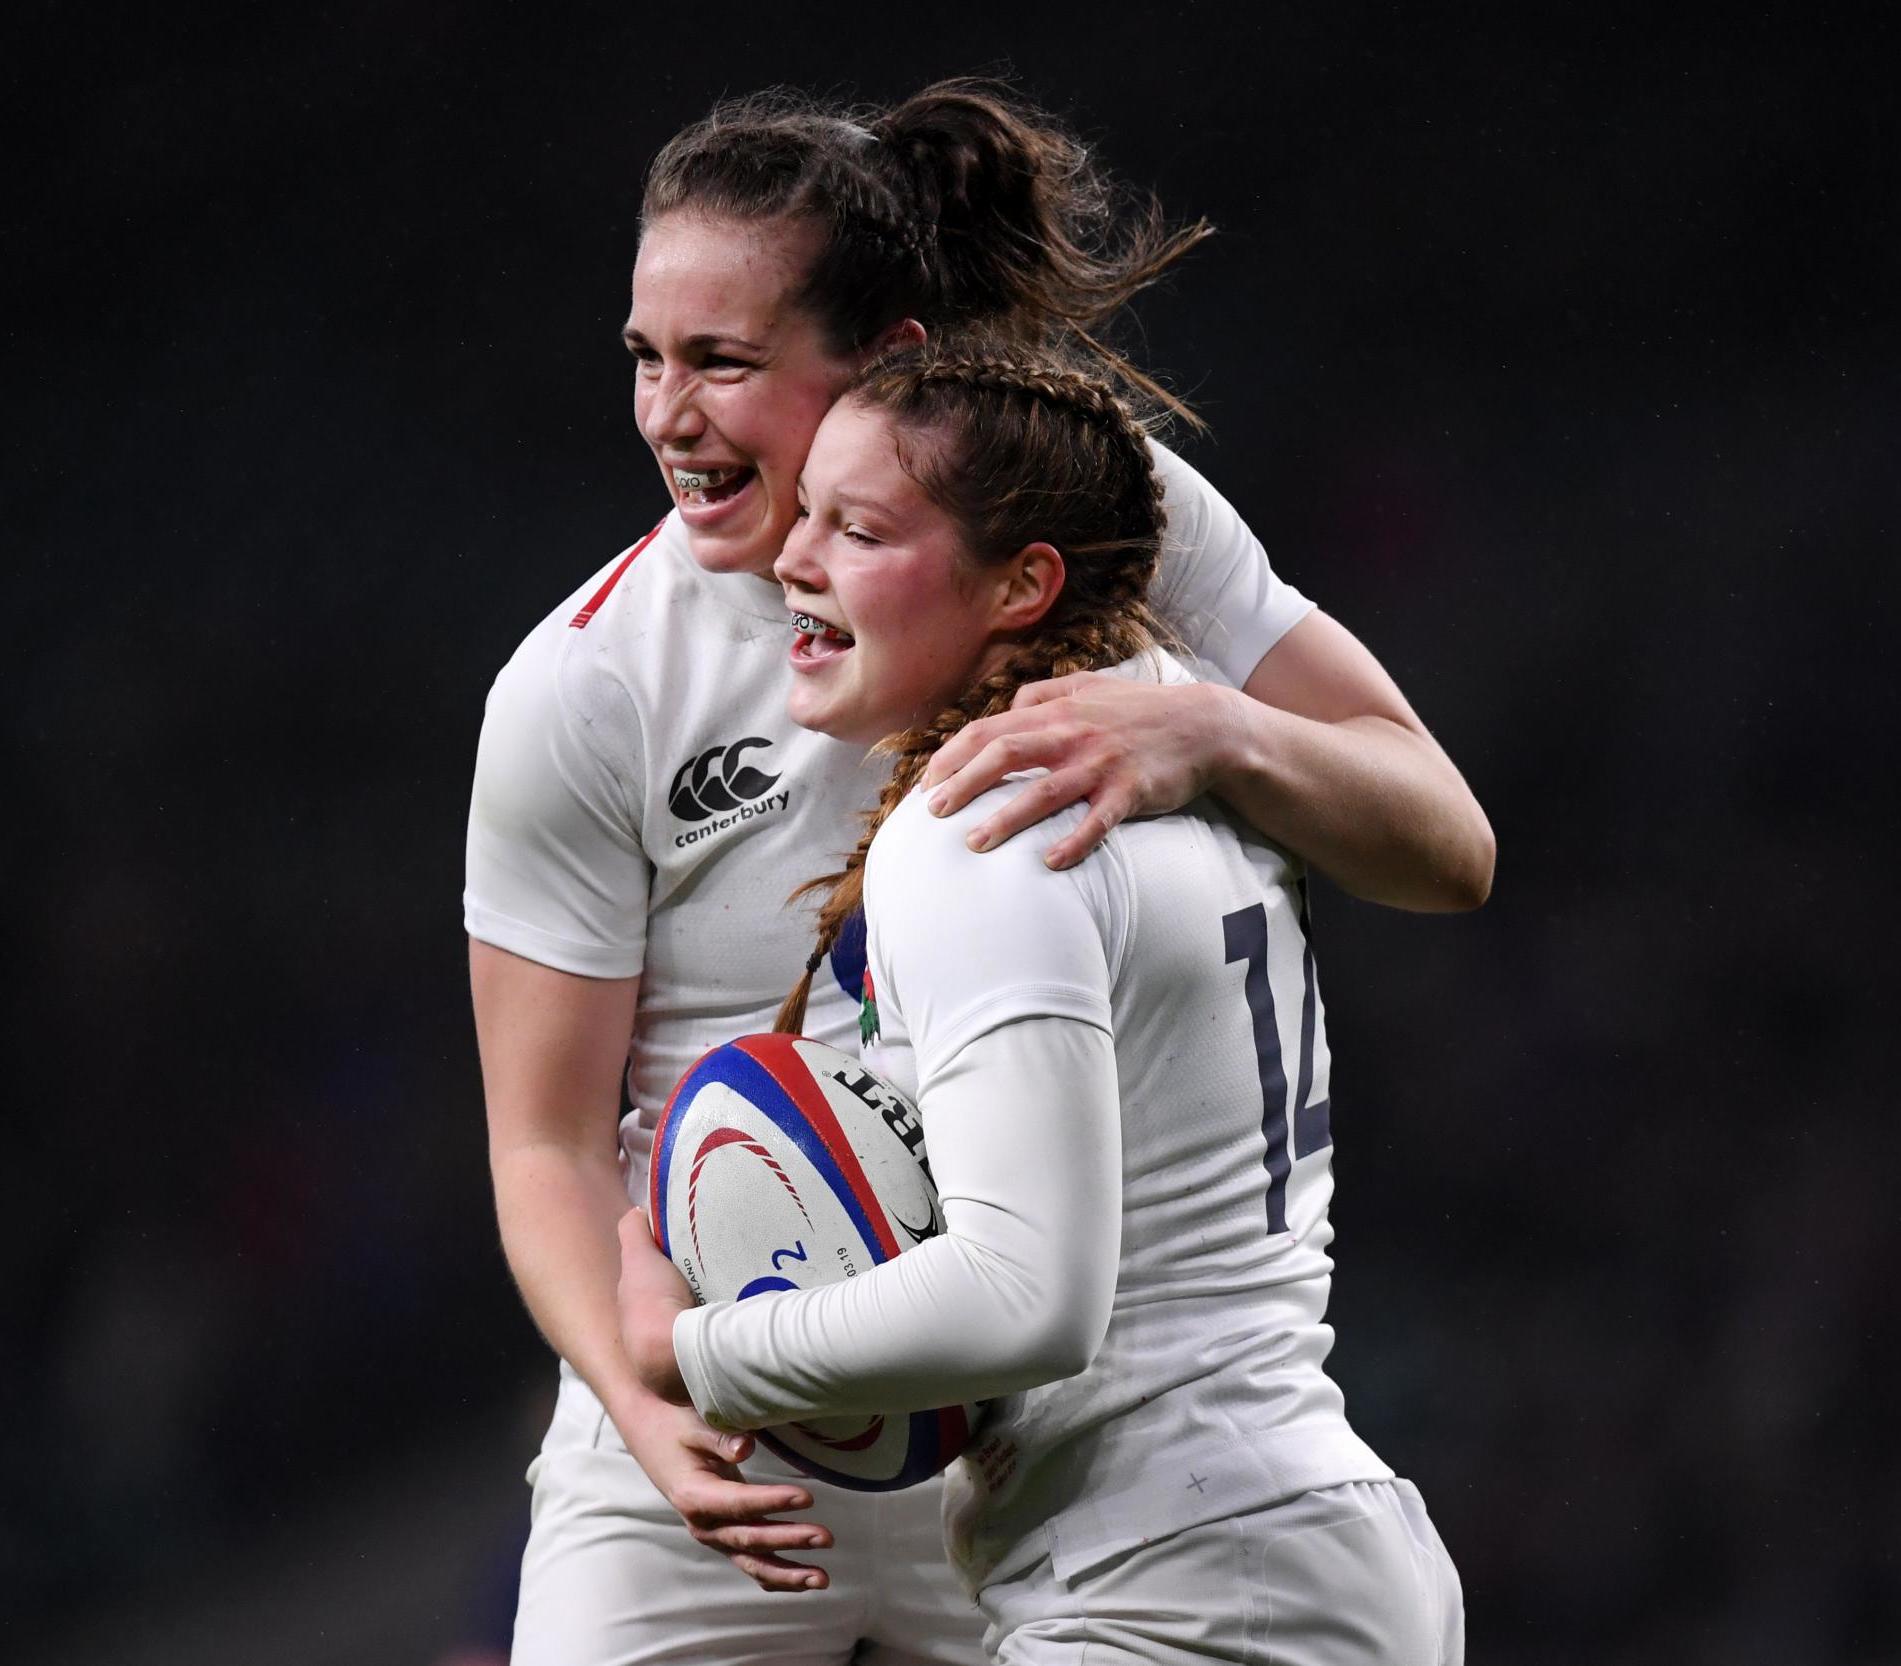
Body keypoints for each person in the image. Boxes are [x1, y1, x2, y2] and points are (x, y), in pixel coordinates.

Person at [465, 80, 1489, 1666]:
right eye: (645, 356)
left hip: (1021, 1416)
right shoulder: (587, 685)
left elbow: (1445, 840)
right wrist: (647, 1393)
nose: (670, 413)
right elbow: (544, 1138)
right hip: (710, 1420)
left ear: (888, 357)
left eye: (723, 361)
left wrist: (1216, 735)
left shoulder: (1092, 506)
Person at [617, 342, 1466, 1664]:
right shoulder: (1175, 730)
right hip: (1286, 1537)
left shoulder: (985, 825)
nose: (794, 559)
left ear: (1022, 583)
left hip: (1178, 1588)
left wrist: (693, 1349)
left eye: (860, 528)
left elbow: (1023, 1299)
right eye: (808, 517)